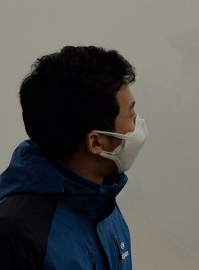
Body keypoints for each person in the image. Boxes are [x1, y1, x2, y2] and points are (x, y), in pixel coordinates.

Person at [0, 46, 147, 269]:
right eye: (130, 114)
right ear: (96, 142)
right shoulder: (16, 231)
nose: (138, 123)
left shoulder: (102, 202)